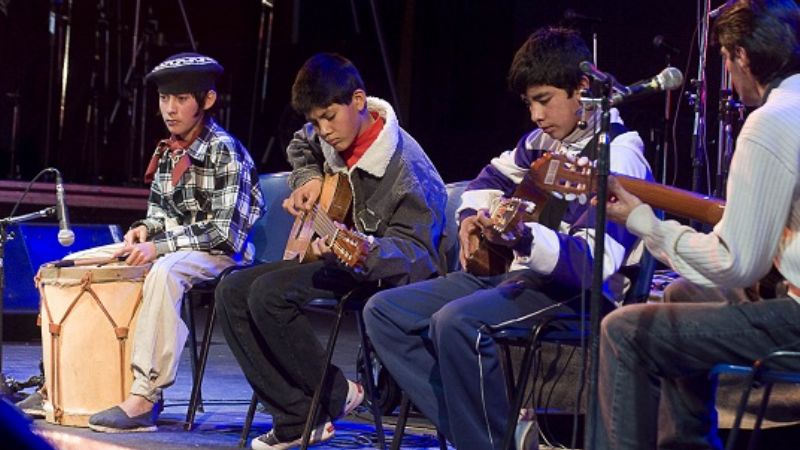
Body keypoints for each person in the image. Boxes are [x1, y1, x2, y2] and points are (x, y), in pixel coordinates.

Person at [363, 27, 652, 450]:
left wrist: (524, 238)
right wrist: (468, 218)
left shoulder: (619, 155)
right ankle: (495, 433)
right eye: (529, 103)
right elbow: (490, 178)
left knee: (457, 322)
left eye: (544, 99)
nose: (535, 115)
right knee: (385, 312)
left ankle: (483, 437)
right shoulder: (539, 142)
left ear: (583, 89)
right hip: (522, 278)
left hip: (581, 293)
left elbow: (595, 263)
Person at [16, 52, 265, 432]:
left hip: (222, 254)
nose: (170, 109)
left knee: (164, 271)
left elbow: (222, 232)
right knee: (71, 265)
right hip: (177, 246)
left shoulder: (224, 150)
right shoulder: (169, 150)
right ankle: (59, 382)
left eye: (181, 99)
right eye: (165, 99)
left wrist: (159, 247)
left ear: (208, 100)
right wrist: (144, 229)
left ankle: (145, 396)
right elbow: (160, 212)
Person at [214, 52, 447, 450]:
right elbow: (301, 146)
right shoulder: (325, 134)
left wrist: (362, 248)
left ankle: (326, 399)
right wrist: (308, 180)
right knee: (230, 290)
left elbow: (416, 254)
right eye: (315, 121)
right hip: (338, 258)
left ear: (358, 100)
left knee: (269, 295)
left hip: (381, 275)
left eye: (329, 117)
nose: (324, 131)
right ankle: (300, 412)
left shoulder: (407, 168)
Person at [596, 1, 800, 448]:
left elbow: (735, 264)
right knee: (681, 292)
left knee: (623, 332)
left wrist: (642, 221)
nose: (728, 70)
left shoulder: (770, 123)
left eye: (726, 59)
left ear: (742, 57)